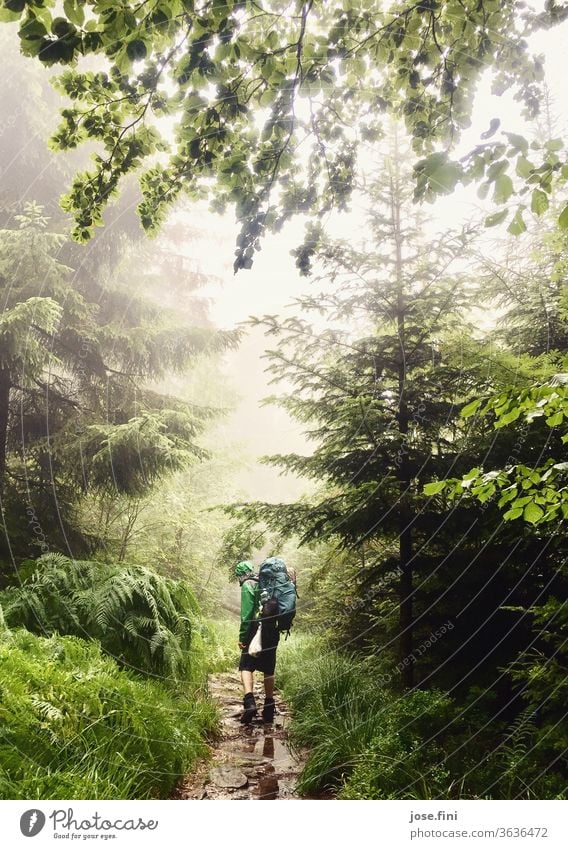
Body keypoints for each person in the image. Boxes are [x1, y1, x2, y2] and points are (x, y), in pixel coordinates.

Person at [234, 560, 280, 724]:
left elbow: (246, 614)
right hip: (272, 629)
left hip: (255, 628)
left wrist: (242, 637)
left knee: (246, 666)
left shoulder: (248, 584)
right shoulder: (269, 582)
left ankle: (250, 703)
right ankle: (268, 708)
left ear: (241, 574)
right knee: (269, 667)